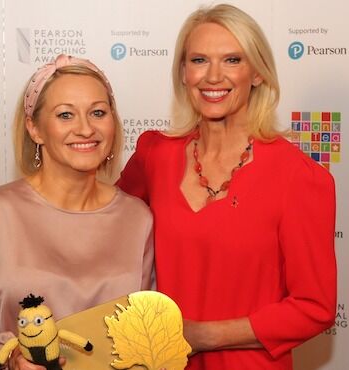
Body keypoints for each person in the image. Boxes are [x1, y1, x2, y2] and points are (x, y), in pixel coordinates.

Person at [118, 4, 336, 369]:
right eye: (199, 60)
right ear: (184, 73)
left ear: (257, 74)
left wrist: (203, 336)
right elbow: (103, 226)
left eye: (232, 60)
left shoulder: (298, 177)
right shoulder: (155, 154)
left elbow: (315, 307)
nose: (213, 76)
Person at [0, 54, 154, 370]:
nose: (85, 128)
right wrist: (7, 356)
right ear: (35, 129)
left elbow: (146, 329)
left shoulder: (137, 219)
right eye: (65, 115)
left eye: (98, 112)